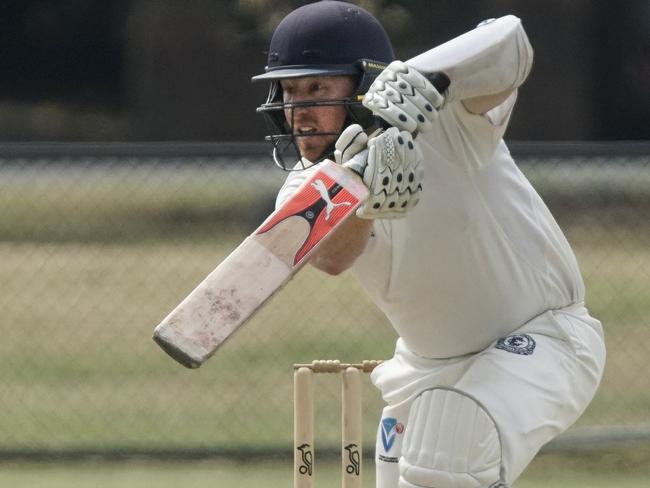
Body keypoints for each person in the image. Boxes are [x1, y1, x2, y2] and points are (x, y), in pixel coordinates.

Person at [252, 2, 606, 487]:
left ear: (367, 83)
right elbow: (333, 257)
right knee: (438, 450)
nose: (300, 110)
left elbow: (509, 43)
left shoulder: (451, 120)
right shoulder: (306, 187)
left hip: (546, 340)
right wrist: (362, 192)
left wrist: (424, 77)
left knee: (449, 454)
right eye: (291, 91)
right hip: (422, 373)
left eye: (317, 88)